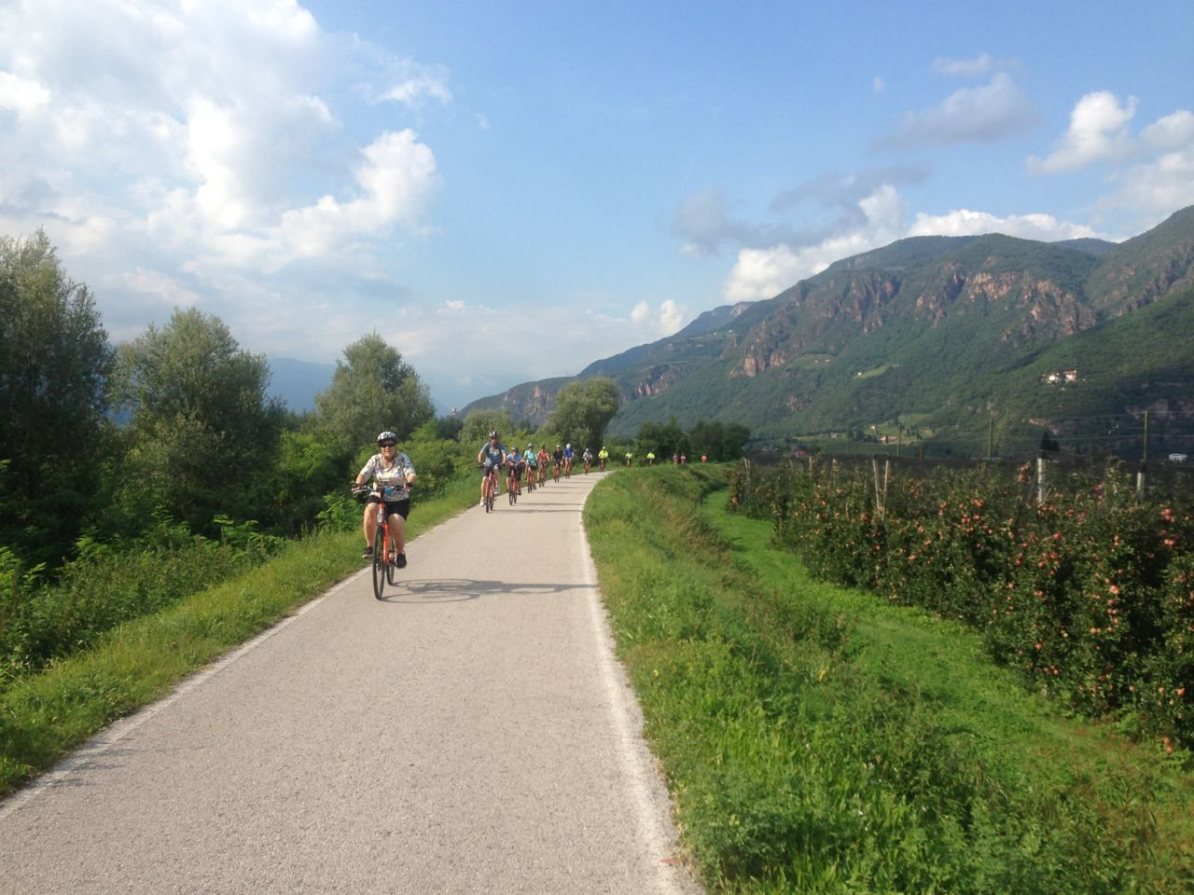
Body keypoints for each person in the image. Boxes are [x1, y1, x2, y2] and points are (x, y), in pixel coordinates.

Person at [355, 430, 417, 565]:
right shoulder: (375, 460)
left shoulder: (402, 458)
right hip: (378, 495)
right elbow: (364, 474)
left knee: (395, 522)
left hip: (398, 499)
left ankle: (399, 553)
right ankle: (370, 547)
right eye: (384, 445)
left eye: (390, 444)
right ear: (380, 447)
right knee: (370, 509)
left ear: (395, 445)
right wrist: (359, 483)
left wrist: (409, 482)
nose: (387, 447)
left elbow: (411, 474)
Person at [477, 430, 506, 504]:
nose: (494, 440)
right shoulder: (487, 445)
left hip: (497, 464)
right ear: (490, 438)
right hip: (488, 465)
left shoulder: (500, 445)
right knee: (484, 480)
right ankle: (483, 498)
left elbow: (504, 454)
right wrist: (480, 461)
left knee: (496, 468)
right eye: (492, 438)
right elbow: (481, 453)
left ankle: (497, 486)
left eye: (495, 438)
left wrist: (503, 462)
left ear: (498, 438)